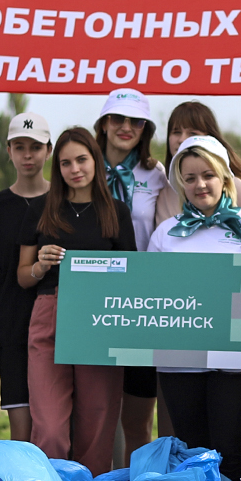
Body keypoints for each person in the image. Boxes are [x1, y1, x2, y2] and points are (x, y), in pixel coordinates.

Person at [148, 135, 241, 481]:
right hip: (180, 361)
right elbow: (153, 294)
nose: (199, 184)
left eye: (207, 175)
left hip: (236, 357)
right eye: (190, 178)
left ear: (224, 177)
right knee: (192, 453)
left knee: (229, 452)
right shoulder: (166, 233)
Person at [19, 126, 135, 474]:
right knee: (51, 429)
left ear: (95, 161)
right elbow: (22, 276)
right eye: (66, 163)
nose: (75, 169)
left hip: (100, 320)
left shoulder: (116, 211)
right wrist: (40, 264)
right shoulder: (41, 209)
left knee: (97, 430)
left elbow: (133, 274)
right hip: (49, 313)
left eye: (81, 159)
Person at [96, 88, 166, 455]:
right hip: (95, 300)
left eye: (135, 121)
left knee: (138, 418)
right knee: (95, 412)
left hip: (140, 302)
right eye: (117, 119)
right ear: (104, 124)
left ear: (146, 129)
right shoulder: (82, 168)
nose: (126, 127)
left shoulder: (156, 175)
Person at [0, 112, 52, 444]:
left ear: (48, 150)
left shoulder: (63, 202)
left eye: (36, 147)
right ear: (8, 150)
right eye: (20, 147)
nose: (28, 155)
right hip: (12, 327)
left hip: (58, 327)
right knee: (21, 433)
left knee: (54, 427)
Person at [152, 101, 241, 226]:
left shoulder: (235, 186)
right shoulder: (165, 193)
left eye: (192, 133)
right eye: (176, 132)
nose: (182, 139)